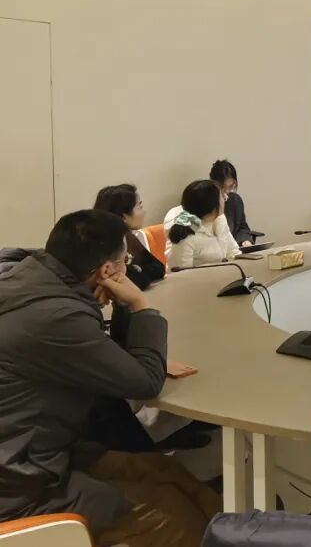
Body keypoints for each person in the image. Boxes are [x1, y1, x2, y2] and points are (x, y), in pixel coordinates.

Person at [0, 210, 218, 546]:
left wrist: (120, 307)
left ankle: (232, 532)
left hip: (37, 451)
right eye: (125, 261)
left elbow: (113, 358)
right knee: (171, 517)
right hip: (20, 486)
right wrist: (140, 304)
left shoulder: (25, 276)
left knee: (164, 470)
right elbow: (145, 382)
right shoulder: (56, 318)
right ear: (106, 271)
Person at [93, 184, 165, 289]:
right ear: (124, 217)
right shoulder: (103, 244)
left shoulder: (128, 237)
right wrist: (139, 271)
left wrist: (137, 270)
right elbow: (140, 281)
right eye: (139, 207)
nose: (144, 212)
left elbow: (159, 268)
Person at [165, 180, 240, 269]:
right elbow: (181, 273)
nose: (225, 198)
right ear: (211, 206)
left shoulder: (220, 219)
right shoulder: (184, 234)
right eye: (222, 196)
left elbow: (233, 252)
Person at [209, 159, 256, 247]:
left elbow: (242, 227)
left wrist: (245, 240)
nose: (227, 191)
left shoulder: (235, 200)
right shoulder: (204, 200)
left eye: (230, 186)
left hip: (233, 249)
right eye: (222, 187)